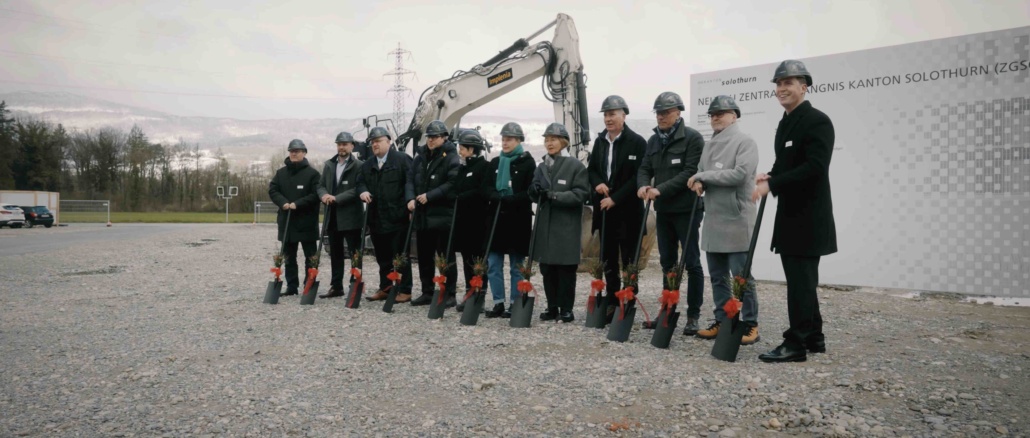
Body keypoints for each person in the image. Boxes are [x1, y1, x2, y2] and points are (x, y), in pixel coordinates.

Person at [752, 59, 837, 363]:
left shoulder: (817, 121)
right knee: (803, 280)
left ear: (804, 87)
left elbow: (815, 167)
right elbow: (786, 164)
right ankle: (814, 337)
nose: (781, 88)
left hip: (809, 217)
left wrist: (772, 185)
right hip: (791, 216)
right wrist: (771, 175)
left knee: (800, 283)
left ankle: (795, 344)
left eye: (788, 82)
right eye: (778, 83)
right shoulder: (786, 122)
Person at [687, 95, 760, 344]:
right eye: (712, 114)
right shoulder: (709, 146)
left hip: (737, 218)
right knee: (718, 277)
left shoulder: (745, 142)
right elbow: (700, 172)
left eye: (721, 113)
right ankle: (723, 320)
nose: (715, 117)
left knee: (741, 276)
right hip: (714, 218)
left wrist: (703, 176)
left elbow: (740, 175)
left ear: (734, 116)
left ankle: (750, 324)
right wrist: (698, 182)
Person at [636, 91, 706, 335]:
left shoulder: (692, 138)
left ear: (678, 112)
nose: (661, 116)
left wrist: (660, 189)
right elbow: (644, 168)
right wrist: (643, 185)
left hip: (687, 210)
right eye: (658, 113)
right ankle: (667, 310)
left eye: (665, 112)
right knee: (667, 262)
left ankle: (693, 315)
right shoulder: (654, 141)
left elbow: (689, 172)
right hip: (664, 210)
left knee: (691, 262)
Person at [587, 95, 647, 322]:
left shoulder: (637, 142)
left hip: (628, 212)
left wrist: (615, 199)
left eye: (612, 114)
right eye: (605, 115)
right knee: (608, 258)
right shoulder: (600, 141)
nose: (608, 119)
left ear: (624, 115)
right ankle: (612, 301)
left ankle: (629, 299)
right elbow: (592, 169)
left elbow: (637, 177)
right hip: (605, 212)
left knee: (629, 259)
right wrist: (597, 184)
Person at [530, 123, 590, 322]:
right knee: (547, 269)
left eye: (553, 139)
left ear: (563, 142)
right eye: (547, 140)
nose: (549, 143)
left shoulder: (576, 166)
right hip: (545, 226)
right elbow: (533, 191)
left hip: (566, 227)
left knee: (565, 269)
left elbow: (580, 194)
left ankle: (566, 308)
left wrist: (555, 196)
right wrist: (534, 191)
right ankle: (552, 306)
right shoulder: (541, 166)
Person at [483, 122, 536, 318]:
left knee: (516, 265)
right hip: (496, 218)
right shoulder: (495, 162)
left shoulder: (527, 163)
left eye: (510, 139)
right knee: (494, 263)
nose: (505, 143)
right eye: (503, 139)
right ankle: (498, 302)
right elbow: (486, 187)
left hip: (518, 220)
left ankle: (515, 302)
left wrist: (513, 199)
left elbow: (530, 191)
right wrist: (495, 195)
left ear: (519, 141)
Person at [356, 127, 414, 302]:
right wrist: (363, 191)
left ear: (388, 141)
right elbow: (360, 182)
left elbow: (410, 182)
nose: (375, 144)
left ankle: (405, 290)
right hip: (376, 219)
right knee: (382, 257)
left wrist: (410, 204)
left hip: (397, 217)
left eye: (378, 141)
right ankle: (386, 288)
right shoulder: (368, 165)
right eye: (372, 142)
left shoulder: (402, 160)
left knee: (400, 256)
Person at [406, 120, 461, 307]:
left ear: (444, 137)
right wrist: (410, 198)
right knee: (424, 256)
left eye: (435, 137)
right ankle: (427, 291)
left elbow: (452, 183)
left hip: (442, 215)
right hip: (422, 216)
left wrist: (430, 196)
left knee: (445, 257)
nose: (431, 140)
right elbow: (410, 179)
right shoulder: (420, 156)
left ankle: (450, 293)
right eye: (429, 136)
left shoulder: (451, 157)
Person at [268, 139, 321, 296]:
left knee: (310, 257)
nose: (293, 153)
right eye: (291, 151)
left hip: (307, 222)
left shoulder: (313, 174)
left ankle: (309, 285)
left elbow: (316, 195)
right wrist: (283, 203)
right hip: (287, 222)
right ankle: (291, 287)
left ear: (304, 153)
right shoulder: (281, 173)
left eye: (297, 151)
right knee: (289, 258)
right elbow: (273, 190)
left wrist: (297, 204)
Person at [316, 132, 365, 299]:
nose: (341, 147)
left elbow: (358, 188)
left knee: (354, 253)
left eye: (345, 144)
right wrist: (324, 195)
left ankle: (355, 284)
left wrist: (337, 198)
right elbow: (320, 185)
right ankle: (336, 286)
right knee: (335, 254)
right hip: (333, 216)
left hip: (351, 216)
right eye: (339, 144)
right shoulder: (329, 165)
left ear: (352, 146)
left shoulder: (359, 165)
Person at [451, 129, 491, 312]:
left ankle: (479, 295)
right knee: (467, 260)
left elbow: (482, 191)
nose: (459, 151)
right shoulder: (463, 168)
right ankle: (469, 292)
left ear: (472, 149)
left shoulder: (484, 167)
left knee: (478, 261)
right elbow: (456, 187)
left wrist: (462, 196)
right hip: (463, 221)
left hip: (478, 221)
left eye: (462, 148)